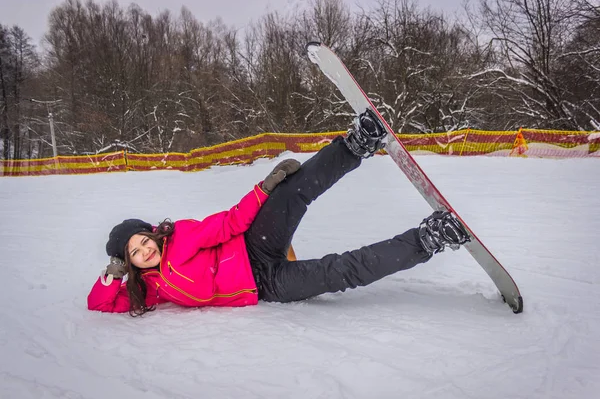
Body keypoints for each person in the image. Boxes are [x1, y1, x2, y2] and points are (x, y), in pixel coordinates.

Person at [87, 111, 470, 316]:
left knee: (290, 193)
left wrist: (264, 188)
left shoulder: (181, 236)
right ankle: (428, 239)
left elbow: (229, 223)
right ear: (132, 264)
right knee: (339, 272)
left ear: (150, 234)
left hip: (251, 245)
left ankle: (356, 145)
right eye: (135, 254)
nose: (144, 252)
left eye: (141, 242)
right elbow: (101, 305)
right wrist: (110, 276)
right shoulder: (151, 289)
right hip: (266, 285)